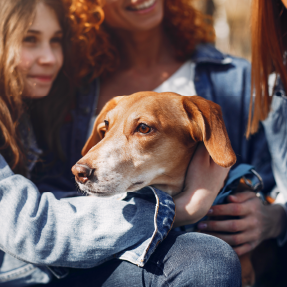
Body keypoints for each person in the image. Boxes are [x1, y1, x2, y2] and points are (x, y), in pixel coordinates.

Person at [0, 0, 241, 286]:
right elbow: (30, 230)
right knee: (207, 261)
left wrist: (272, 216)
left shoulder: (35, 111)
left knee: (205, 258)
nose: (50, 57)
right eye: (30, 39)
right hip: (25, 271)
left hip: (61, 264)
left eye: (56, 41)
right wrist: (182, 208)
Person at [64, 0, 275, 244]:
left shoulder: (238, 78)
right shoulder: (68, 88)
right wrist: (186, 209)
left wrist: (274, 218)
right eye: (105, 128)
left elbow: (275, 181)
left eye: (143, 128)